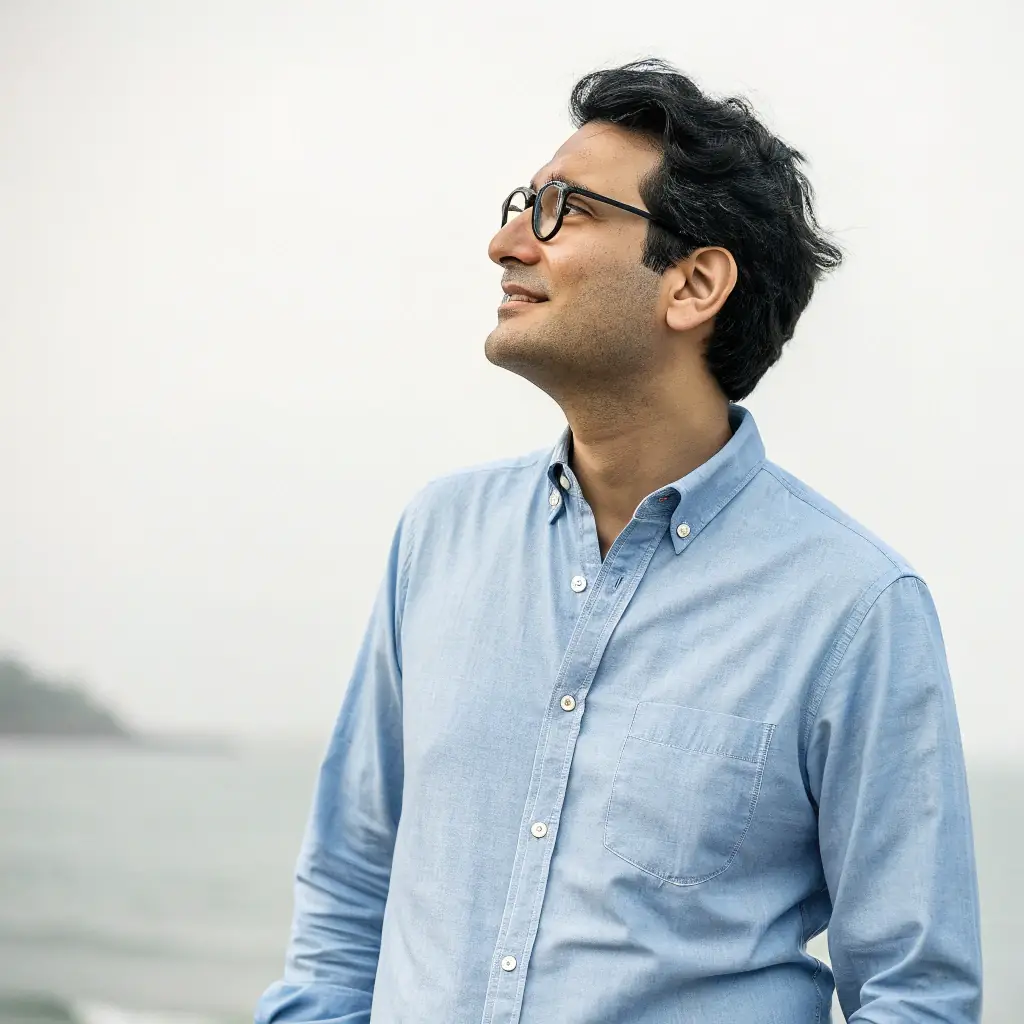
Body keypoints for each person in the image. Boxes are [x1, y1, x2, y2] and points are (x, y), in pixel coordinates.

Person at [255, 59, 982, 1024]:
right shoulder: (440, 537)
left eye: (565, 210)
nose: (507, 242)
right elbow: (350, 891)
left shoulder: (855, 606)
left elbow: (915, 992)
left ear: (693, 283)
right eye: (522, 204)